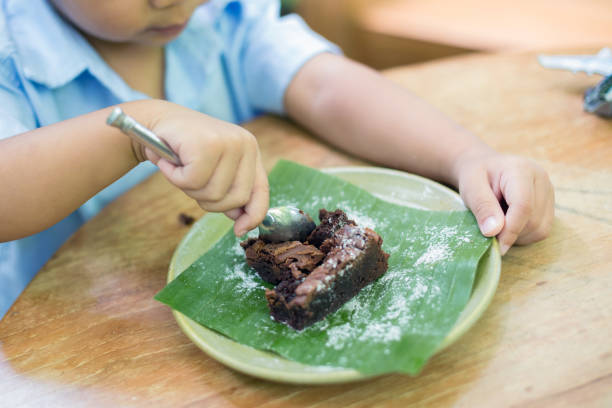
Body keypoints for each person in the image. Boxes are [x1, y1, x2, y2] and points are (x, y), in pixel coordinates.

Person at [0, 0, 554, 318]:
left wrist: (465, 156)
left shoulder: (224, 18)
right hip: (72, 340)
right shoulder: (12, 47)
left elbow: (323, 88)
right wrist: (132, 132)